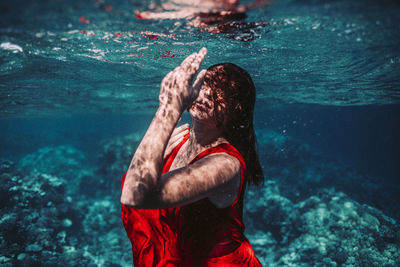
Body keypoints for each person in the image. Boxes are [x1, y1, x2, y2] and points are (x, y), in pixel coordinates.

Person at [121, 47, 263, 266]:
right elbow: (138, 177)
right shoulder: (179, 138)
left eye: (222, 92)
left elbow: (136, 194)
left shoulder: (224, 164)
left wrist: (169, 109)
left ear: (237, 109)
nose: (207, 95)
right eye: (207, 84)